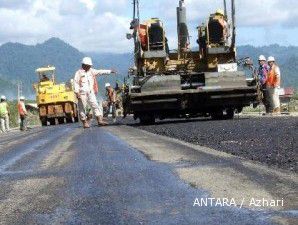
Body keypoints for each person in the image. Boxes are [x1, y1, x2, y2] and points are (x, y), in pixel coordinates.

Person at [74, 57, 116, 128]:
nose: (90, 66)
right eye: (89, 65)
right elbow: (76, 83)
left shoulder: (91, 71)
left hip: (91, 93)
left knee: (95, 105)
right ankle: (84, 122)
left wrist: (110, 71)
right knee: (82, 108)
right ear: (84, 65)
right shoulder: (78, 73)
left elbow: (100, 72)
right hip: (82, 94)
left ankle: (100, 120)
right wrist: (77, 93)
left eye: (90, 65)